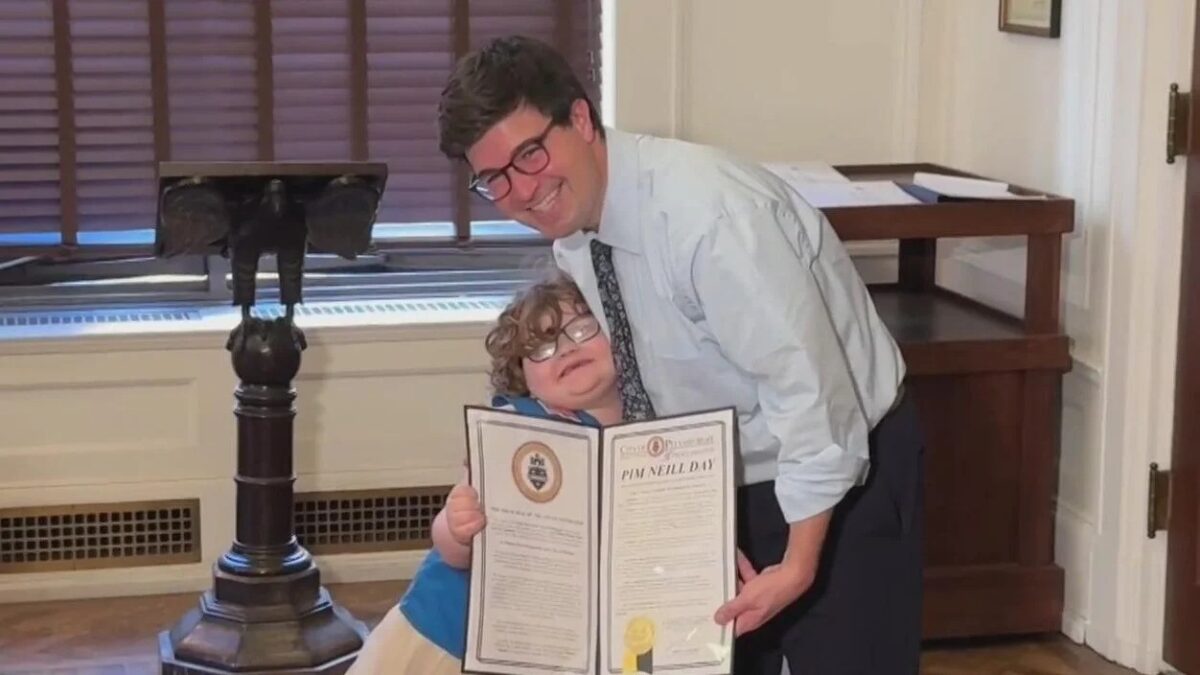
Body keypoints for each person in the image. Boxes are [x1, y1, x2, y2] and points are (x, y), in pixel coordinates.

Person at [436, 35, 926, 674]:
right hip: (725, 480)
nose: (522, 192)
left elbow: (809, 391)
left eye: (529, 155)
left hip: (840, 471)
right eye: (493, 179)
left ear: (580, 119)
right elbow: (653, 384)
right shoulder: (579, 230)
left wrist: (801, 562)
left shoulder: (708, 217)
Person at [346, 271, 624, 674]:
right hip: (451, 632)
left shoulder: (652, 427)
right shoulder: (514, 430)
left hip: (555, 642)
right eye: (540, 347)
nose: (564, 348)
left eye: (582, 327)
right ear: (521, 377)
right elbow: (451, 548)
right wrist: (458, 528)